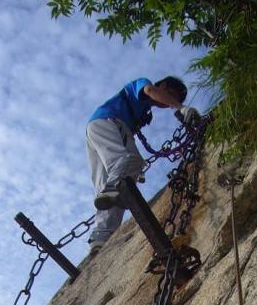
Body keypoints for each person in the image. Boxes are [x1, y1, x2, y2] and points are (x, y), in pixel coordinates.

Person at [86, 76, 200, 255]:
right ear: (162, 85)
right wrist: (181, 107)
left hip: (96, 127)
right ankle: (112, 189)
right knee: (131, 162)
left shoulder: (144, 111)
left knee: (106, 186)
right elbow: (151, 91)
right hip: (110, 122)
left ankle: (100, 237)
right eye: (170, 94)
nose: (167, 102)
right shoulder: (144, 84)